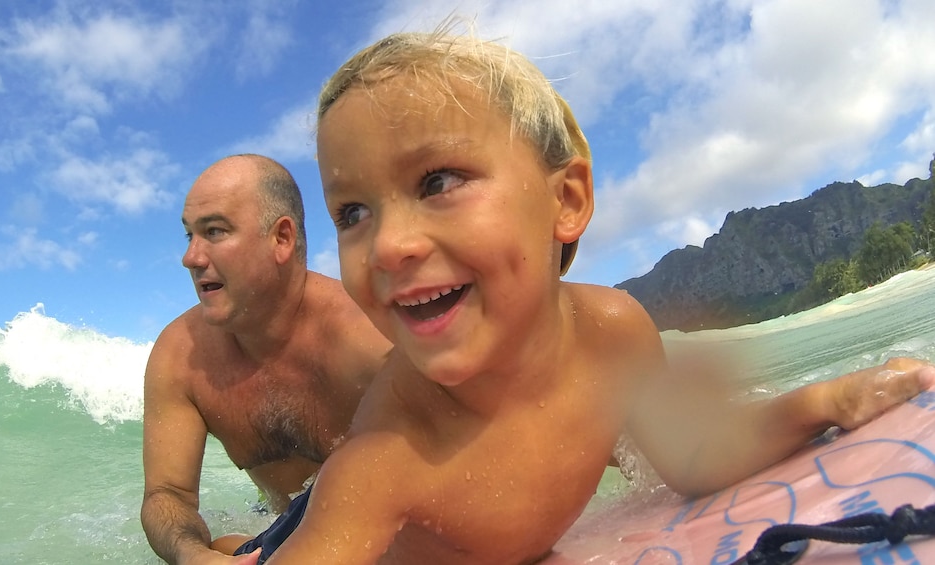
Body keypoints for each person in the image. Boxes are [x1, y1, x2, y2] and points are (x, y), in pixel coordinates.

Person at [226, 31, 935, 565]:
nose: (386, 245)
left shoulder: (611, 332)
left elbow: (689, 456)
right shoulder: (383, 463)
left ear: (565, 199)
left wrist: (824, 402)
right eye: (352, 213)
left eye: (437, 181)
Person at [140, 154, 392, 565]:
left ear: (281, 238)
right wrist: (193, 556)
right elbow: (168, 495)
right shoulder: (179, 357)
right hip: (276, 530)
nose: (191, 257)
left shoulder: (368, 334)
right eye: (189, 236)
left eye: (215, 231)